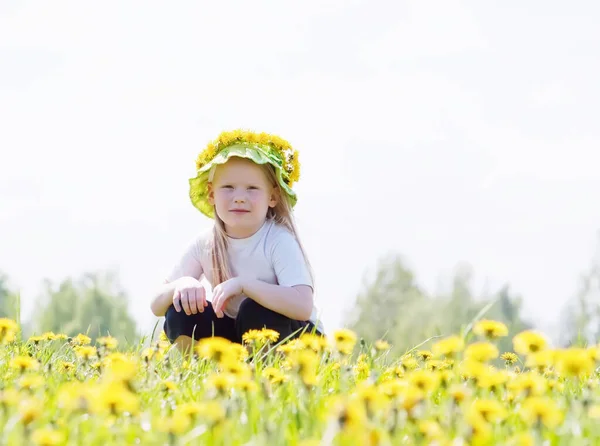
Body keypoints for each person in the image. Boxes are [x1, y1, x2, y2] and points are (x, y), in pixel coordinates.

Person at [150, 129, 324, 354]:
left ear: (272, 196)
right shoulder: (205, 243)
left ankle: (266, 376)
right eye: (228, 188)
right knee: (180, 312)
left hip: (297, 338)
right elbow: (156, 304)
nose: (239, 197)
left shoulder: (278, 240)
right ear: (211, 194)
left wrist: (244, 285)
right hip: (238, 335)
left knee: (254, 310)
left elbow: (302, 306)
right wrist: (182, 284)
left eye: (252, 188)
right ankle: (205, 372)